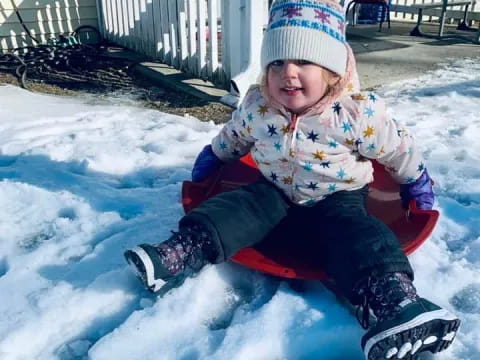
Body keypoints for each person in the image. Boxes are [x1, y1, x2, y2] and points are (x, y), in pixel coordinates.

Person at [124, 0, 460, 358]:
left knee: (360, 234)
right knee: (236, 207)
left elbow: (398, 149)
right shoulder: (259, 107)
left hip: (340, 195)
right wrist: (214, 157)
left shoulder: (355, 114)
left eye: (304, 61)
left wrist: (415, 182)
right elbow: (234, 136)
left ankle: (394, 301)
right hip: (276, 190)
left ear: (333, 71)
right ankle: (183, 250)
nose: (288, 73)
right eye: (277, 62)